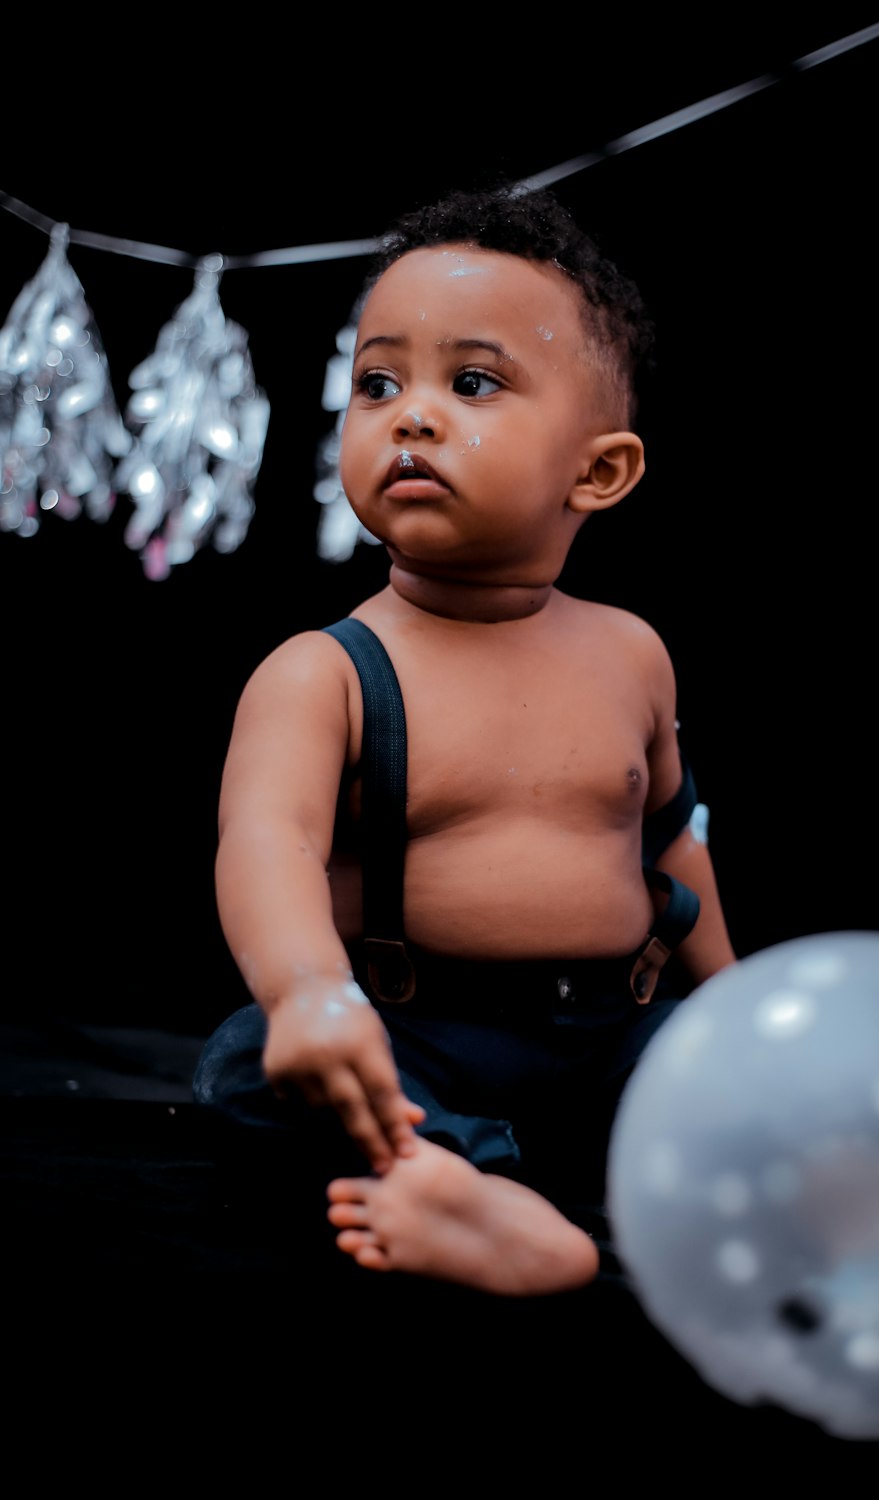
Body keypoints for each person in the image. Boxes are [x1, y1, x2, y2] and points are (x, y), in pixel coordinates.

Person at [193, 181, 737, 1297]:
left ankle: (548, 1181)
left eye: (472, 383)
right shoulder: (323, 672)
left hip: (612, 1032)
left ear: (598, 471)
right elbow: (267, 843)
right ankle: (458, 1182)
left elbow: (673, 841)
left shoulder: (632, 652)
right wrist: (309, 994)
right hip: (412, 1035)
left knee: (745, 1081)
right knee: (252, 1064)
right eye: (377, 383)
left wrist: (739, 1007)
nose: (411, 414)